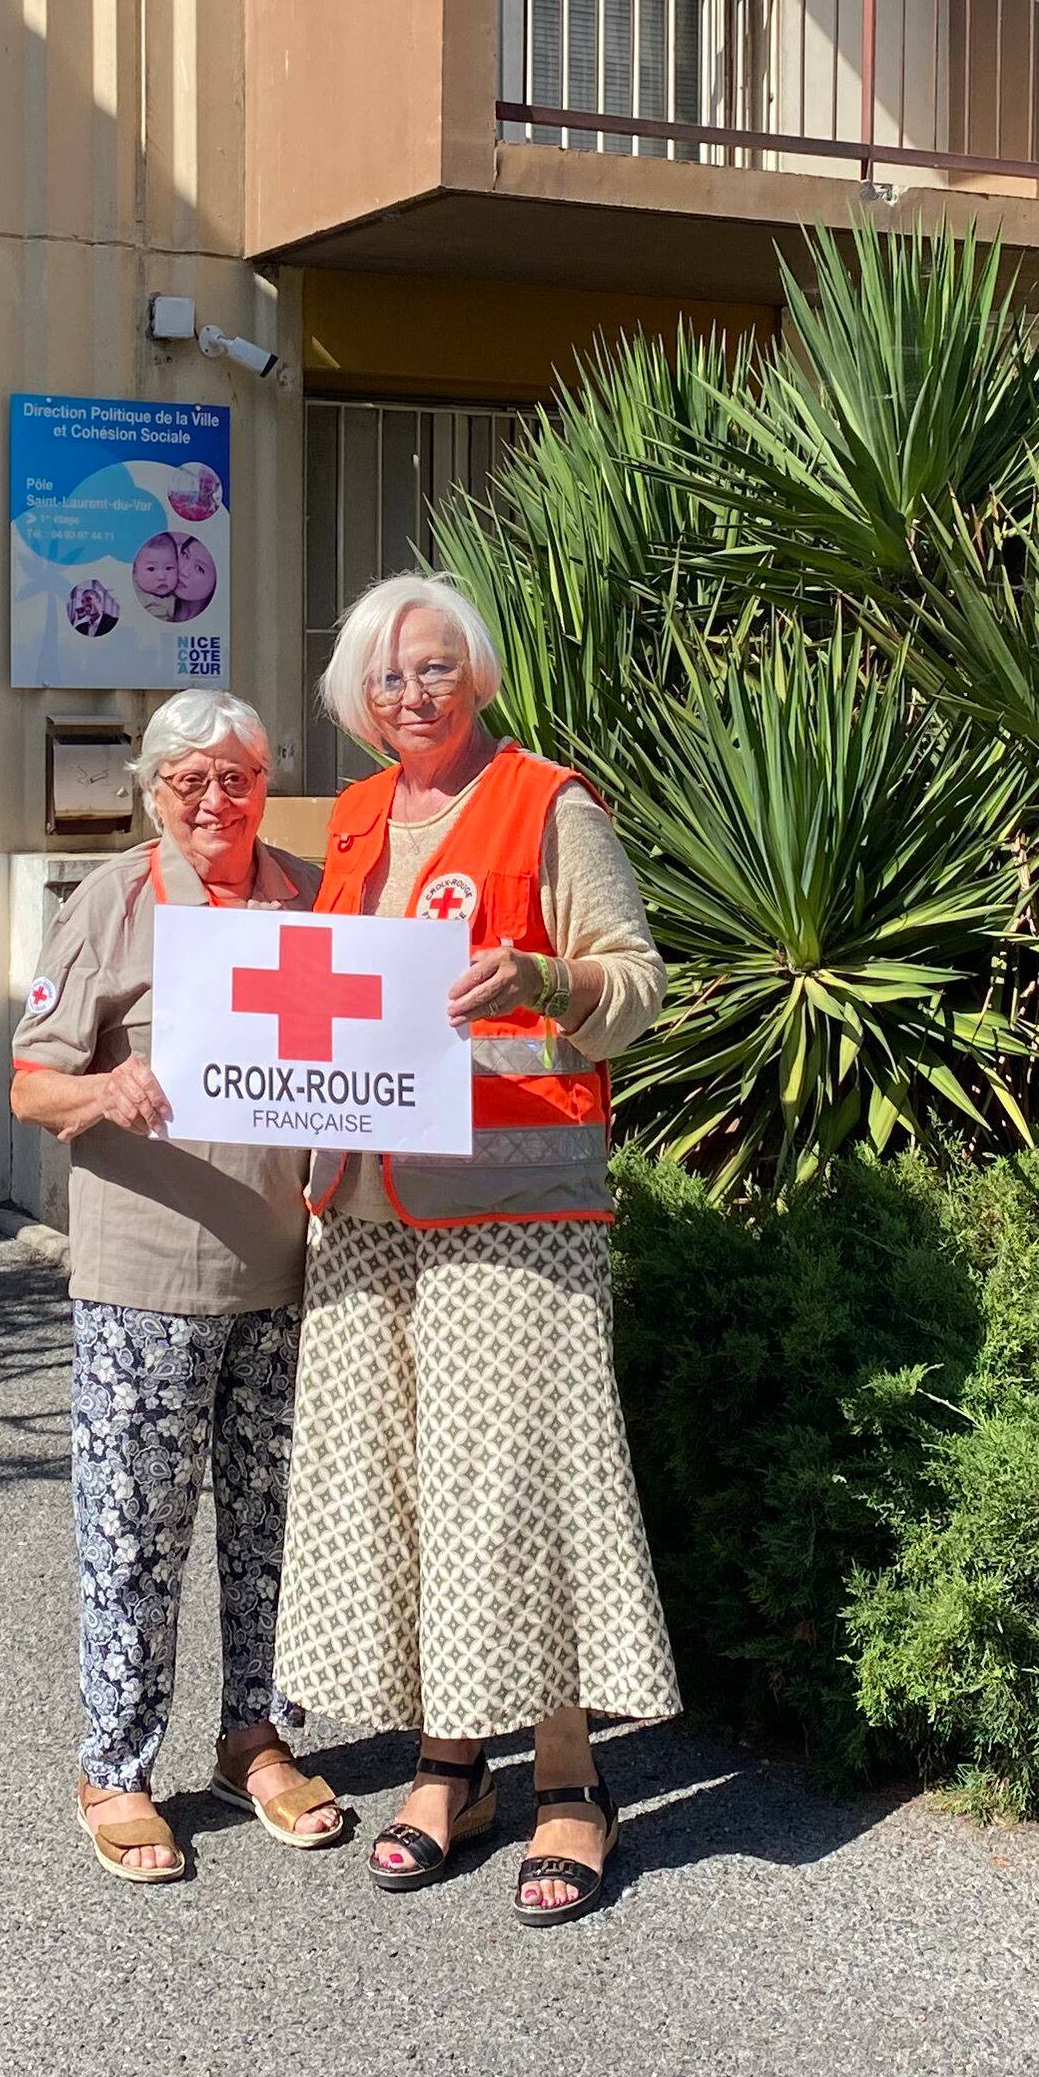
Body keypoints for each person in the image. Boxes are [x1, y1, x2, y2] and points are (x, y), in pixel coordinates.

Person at [271, 573, 677, 1926]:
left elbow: (638, 986)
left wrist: (545, 979)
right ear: (357, 701)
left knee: (519, 1489)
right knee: (405, 1490)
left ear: (481, 677)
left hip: (514, 1202)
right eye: (387, 680)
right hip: (371, 1209)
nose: (412, 695)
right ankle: (455, 1763)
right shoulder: (355, 818)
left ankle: (571, 1783)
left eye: (435, 670)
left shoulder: (550, 804)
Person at [9, 688, 356, 1884]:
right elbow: (29, 1085)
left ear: (267, 783)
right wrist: (105, 1091)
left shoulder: (314, 900)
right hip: (145, 1274)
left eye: (238, 776)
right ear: (152, 793)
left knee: (274, 1528)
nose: (215, 800)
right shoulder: (111, 902)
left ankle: (254, 1741)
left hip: (285, 1271)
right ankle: (115, 1768)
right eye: (187, 780)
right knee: (135, 1530)